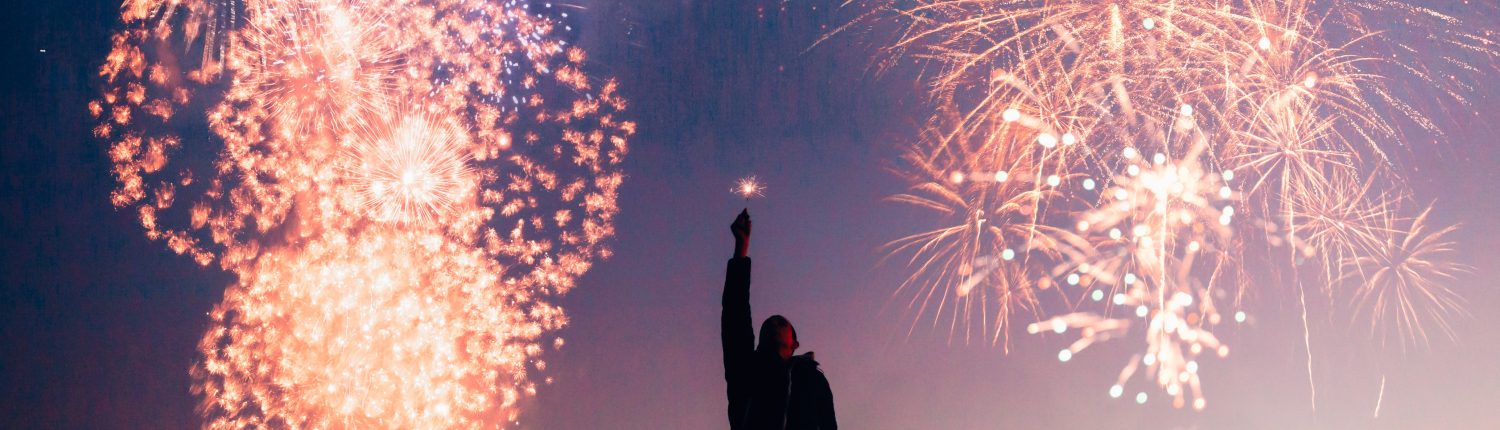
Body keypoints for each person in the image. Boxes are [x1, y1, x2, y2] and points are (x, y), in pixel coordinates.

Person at [721, 209, 837, 429]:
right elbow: (734, 316)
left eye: (781, 322)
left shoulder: (814, 380)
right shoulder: (745, 368)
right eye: (770, 323)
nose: (774, 321)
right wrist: (741, 249)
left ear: (795, 344)